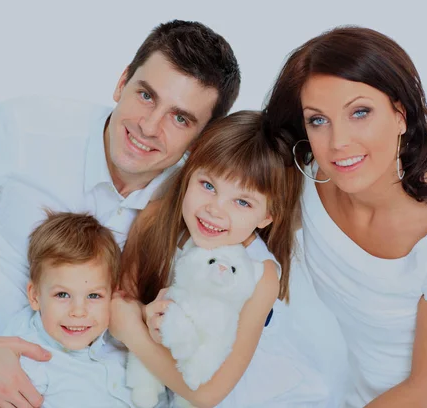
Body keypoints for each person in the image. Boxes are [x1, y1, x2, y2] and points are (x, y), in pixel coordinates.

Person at [0, 19, 240, 408]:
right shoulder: (25, 128)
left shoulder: (200, 206)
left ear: (203, 136)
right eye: (145, 95)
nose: (149, 126)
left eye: (180, 118)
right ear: (122, 82)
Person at [265, 25, 427, 407]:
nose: (338, 142)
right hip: (364, 391)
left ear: (400, 114)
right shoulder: (306, 180)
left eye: (360, 112)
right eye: (318, 120)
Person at [109, 110, 330, 407]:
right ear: (190, 172)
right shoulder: (155, 219)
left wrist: (133, 331)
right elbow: (123, 304)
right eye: (209, 186)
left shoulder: (260, 274)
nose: (215, 209)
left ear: (267, 215)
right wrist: (145, 316)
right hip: (161, 376)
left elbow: (207, 395)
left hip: (229, 388)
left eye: (242, 201)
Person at [3, 211, 169, 407]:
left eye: (93, 296)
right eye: (62, 295)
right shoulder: (26, 359)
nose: (78, 311)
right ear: (34, 296)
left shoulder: (122, 338)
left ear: (112, 294)